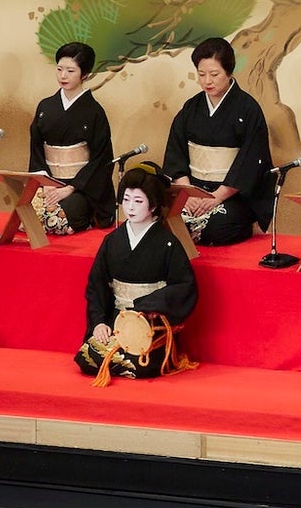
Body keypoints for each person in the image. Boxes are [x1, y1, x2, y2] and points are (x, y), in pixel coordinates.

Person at [75, 162, 198, 384]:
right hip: (117, 320)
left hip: (149, 322)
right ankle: (120, 360)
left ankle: (126, 362)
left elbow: (183, 286)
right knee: (86, 359)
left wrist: (146, 306)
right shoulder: (112, 241)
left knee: (142, 364)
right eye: (126, 200)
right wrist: (99, 322)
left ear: (153, 205)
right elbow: (97, 286)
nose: (130, 207)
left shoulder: (167, 243)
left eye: (138, 201)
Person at [162, 37, 273, 247]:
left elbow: (251, 162)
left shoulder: (248, 109)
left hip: (231, 195)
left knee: (217, 226)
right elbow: (176, 154)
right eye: (201, 74)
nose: (207, 81)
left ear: (229, 72)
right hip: (193, 190)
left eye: (214, 74)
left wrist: (217, 197)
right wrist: (188, 193)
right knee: (168, 220)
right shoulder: (191, 108)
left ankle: (246, 226)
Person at [27, 40, 116, 236]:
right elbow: (36, 149)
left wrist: (71, 187)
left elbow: (101, 159)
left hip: (81, 188)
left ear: (85, 74)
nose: (63, 76)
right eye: (59, 69)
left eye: (70, 71)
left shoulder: (94, 112)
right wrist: (46, 183)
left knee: (55, 221)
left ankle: (84, 217)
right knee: (26, 217)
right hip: (49, 183)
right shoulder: (45, 107)